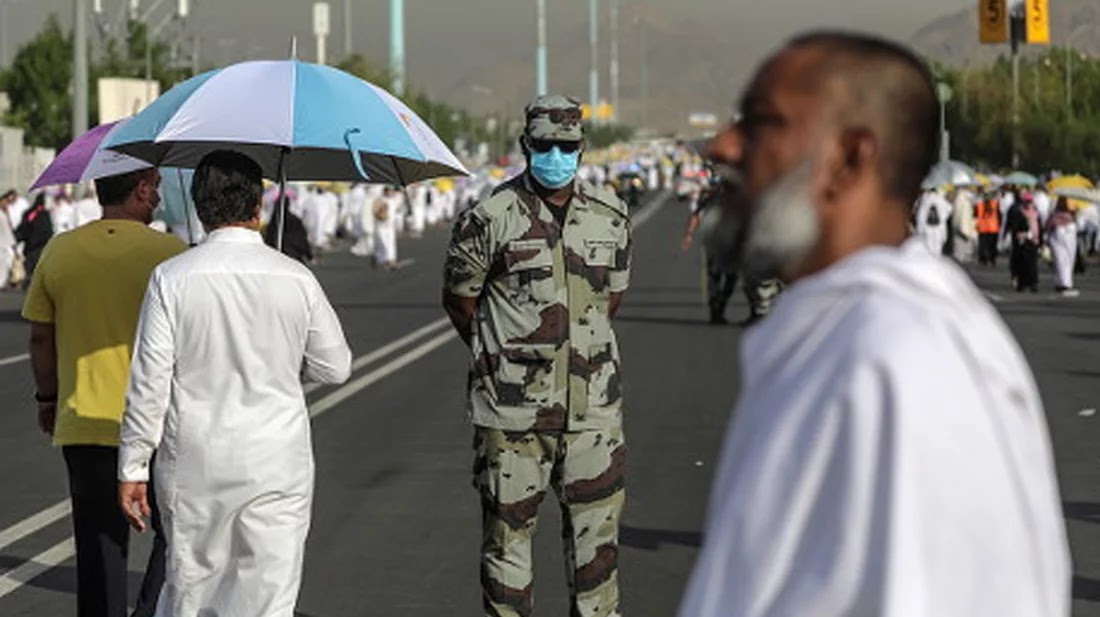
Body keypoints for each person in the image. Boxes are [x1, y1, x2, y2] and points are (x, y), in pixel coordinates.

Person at [679, 31, 1069, 617]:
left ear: (849, 158)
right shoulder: (850, 329)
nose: (722, 147)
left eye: (760, 123)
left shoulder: (894, 358)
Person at [117, 150, 351, 617]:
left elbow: (149, 381)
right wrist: (284, 363)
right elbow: (335, 367)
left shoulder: (172, 278)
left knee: (191, 587)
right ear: (258, 206)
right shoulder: (296, 277)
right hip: (277, 459)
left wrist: (133, 465)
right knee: (268, 594)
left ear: (200, 209)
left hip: (195, 458)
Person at [443, 94, 631, 617]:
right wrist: (505, 357)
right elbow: (461, 301)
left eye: (565, 146)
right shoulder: (489, 218)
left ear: (581, 148)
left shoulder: (611, 217)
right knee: (507, 548)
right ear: (526, 145)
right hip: (512, 416)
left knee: (598, 553)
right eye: (544, 145)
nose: (555, 155)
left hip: (592, 412)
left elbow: (610, 298)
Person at [22, 168, 185, 617]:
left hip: (84, 419)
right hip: (157, 421)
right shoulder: (170, 254)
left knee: (98, 545)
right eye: (155, 189)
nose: (158, 199)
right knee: (176, 532)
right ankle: (150, 609)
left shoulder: (61, 250)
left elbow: (40, 337)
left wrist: (47, 397)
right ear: (142, 189)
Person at [15, 193, 55, 285]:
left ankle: (29, 280)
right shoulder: (44, 214)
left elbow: (24, 227)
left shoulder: (30, 212)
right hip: (41, 245)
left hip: (30, 244)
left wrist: (19, 238)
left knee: (30, 264)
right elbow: (48, 230)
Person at [1045, 196, 1079, 296]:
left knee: (1060, 260)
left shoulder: (1055, 213)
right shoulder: (1069, 214)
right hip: (1065, 235)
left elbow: (1048, 226)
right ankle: (1065, 283)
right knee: (1067, 260)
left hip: (1058, 236)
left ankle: (1060, 282)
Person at [1007, 195, 1041, 292]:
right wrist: (1022, 234)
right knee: (1022, 262)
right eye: (1027, 202)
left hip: (1033, 241)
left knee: (1033, 263)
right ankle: (1022, 283)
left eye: (1030, 202)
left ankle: (1033, 283)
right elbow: (1015, 227)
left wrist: (1040, 239)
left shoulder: (1036, 213)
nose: (1029, 204)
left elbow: (1040, 227)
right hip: (1022, 241)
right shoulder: (1019, 212)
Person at [912, 187, 951, 255]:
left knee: (928, 249)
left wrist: (919, 231)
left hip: (927, 228)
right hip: (939, 228)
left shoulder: (924, 200)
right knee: (937, 248)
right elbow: (949, 210)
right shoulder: (941, 200)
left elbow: (920, 216)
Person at [975, 189, 1001, 266]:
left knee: (983, 245)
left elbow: (975, 215)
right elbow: (999, 215)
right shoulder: (995, 204)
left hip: (982, 227)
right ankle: (992, 259)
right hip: (993, 227)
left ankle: (983, 259)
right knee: (992, 245)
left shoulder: (979, 205)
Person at [0, 190, 18, 289]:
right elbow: (7, 230)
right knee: (4, 263)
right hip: (3, 244)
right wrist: (13, 244)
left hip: (3, 243)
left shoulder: (4, 214)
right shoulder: (2, 216)